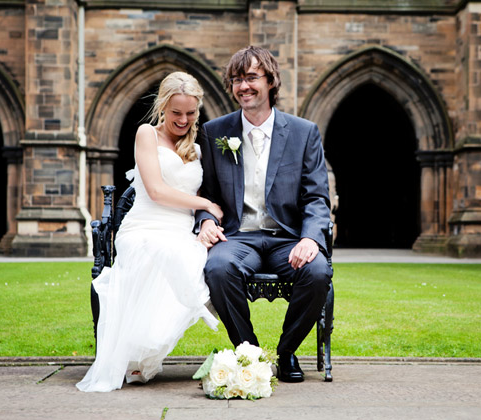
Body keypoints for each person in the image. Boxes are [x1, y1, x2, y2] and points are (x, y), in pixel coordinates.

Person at [77, 72, 222, 392]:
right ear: (162, 108)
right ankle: (136, 355)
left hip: (181, 228)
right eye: (176, 113)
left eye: (190, 113)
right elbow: (156, 191)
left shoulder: (198, 149)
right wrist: (206, 204)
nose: (183, 120)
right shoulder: (146, 134)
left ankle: (146, 353)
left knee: (196, 257)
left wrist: (207, 219)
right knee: (163, 253)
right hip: (144, 224)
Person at [195, 46, 332, 383]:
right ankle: (250, 353)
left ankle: (286, 353)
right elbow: (206, 193)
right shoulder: (215, 131)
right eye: (237, 80)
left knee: (317, 272)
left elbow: (317, 196)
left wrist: (311, 238)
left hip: (288, 238)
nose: (244, 86)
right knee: (218, 267)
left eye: (252, 78)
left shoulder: (304, 132)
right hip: (238, 237)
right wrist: (206, 220)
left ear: (271, 82)